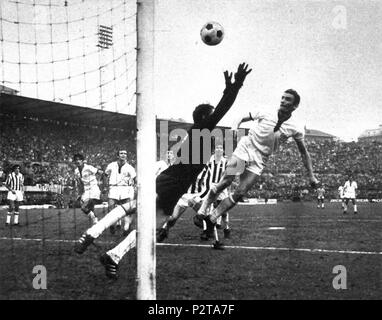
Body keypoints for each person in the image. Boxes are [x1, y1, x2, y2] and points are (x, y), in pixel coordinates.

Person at [74, 62, 252, 279]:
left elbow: (220, 109)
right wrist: (236, 86)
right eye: (212, 115)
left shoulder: (201, 133)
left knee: (152, 227)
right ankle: (91, 233)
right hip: (171, 180)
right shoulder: (200, 129)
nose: (216, 118)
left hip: (177, 185)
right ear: (204, 118)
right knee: (135, 207)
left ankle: (113, 255)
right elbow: (224, 108)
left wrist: (228, 89)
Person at [195, 89, 319, 238]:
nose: (283, 101)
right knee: (226, 181)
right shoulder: (266, 111)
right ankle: (202, 210)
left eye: (288, 100)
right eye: (283, 98)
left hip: (261, 158)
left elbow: (304, 152)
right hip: (245, 147)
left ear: (295, 106)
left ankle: (212, 217)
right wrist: (234, 128)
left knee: (240, 192)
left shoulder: (296, 128)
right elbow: (240, 117)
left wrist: (311, 176)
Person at [104, 150, 136, 234]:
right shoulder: (111, 165)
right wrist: (105, 185)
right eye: (121, 153)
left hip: (125, 189)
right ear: (118, 155)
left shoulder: (130, 167)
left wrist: (136, 186)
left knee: (127, 209)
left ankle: (126, 227)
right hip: (113, 188)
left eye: (125, 153)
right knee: (111, 207)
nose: (123, 155)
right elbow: (105, 174)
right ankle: (112, 224)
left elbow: (135, 178)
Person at [73, 154, 102, 225]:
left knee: (84, 207)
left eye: (79, 159)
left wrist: (103, 185)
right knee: (85, 208)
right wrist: (79, 194)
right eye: (76, 160)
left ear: (82, 161)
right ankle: (95, 221)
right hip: (86, 191)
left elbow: (101, 173)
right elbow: (80, 183)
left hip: (93, 189)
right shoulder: (76, 171)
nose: (77, 161)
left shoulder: (89, 167)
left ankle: (95, 220)